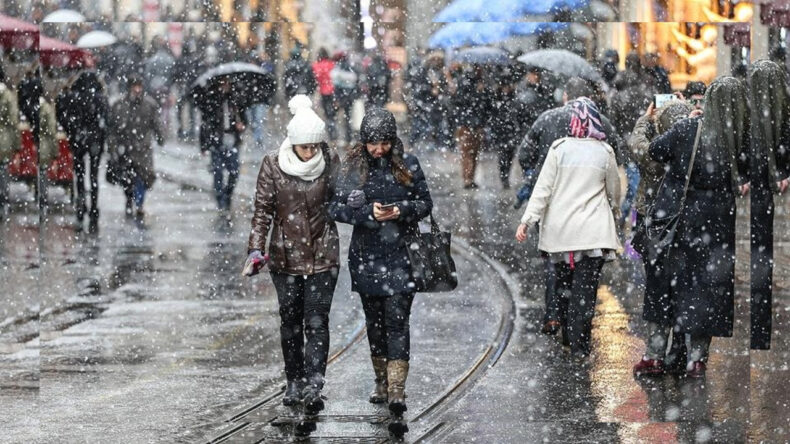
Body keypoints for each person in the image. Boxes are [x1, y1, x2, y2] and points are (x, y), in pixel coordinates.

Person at [330, 108, 433, 434]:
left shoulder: (409, 165)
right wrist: (367, 215)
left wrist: (401, 210)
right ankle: (380, 380)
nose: (378, 149)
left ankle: (397, 390)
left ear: (393, 141)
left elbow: (425, 203)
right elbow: (335, 207)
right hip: (366, 258)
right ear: (364, 142)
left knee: (397, 321)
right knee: (375, 324)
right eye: (373, 143)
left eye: (384, 143)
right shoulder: (351, 169)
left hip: (403, 257)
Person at [646, 76, 749, 377]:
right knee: (708, 290)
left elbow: (655, 151)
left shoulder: (689, 128)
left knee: (670, 284)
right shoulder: (737, 137)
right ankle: (697, 359)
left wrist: (676, 124)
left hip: (684, 220)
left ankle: (658, 355)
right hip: (718, 225)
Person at [244, 95, 340, 414]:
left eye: (315, 146)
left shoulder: (331, 160)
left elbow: (343, 199)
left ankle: (314, 381)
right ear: (293, 143)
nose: (311, 152)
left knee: (316, 320)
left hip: (323, 255)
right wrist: (255, 249)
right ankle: (294, 379)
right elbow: (263, 211)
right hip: (284, 258)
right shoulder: (273, 164)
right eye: (305, 146)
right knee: (290, 321)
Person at [516, 78, 626, 336]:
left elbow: (525, 155)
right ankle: (578, 330)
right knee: (585, 278)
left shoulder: (547, 120)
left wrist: (533, 177)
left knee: (555, 262)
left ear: (566, 96)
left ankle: (554, 313)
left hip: (555, 208)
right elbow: (617, 159)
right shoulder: (601, 126)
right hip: (590, 218)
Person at [629, 99, 693, 376]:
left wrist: (646, 118)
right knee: (683, 287)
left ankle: (655, 354)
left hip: (654, 223)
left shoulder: (656, 152)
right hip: (684, 222)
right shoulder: (692, 145)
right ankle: (680, 351)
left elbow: (636, 144)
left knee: (657, 287)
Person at [748, 60, 790, 350]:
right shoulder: (783, 111)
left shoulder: (746, 111)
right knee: (763, 258)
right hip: (765, 193)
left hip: (750, 192)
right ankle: (761, 330)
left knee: (754, 259)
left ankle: (757, 329)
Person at [108, 77, 165, 219]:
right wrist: (113, 147)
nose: (137, 90)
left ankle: (139, 204)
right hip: (125, 148)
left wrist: (160, 137)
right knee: (127, 178)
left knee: (143, 177)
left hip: (143, 149)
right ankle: (128, 200)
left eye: (139, 86)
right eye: (134, 87)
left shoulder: (149, 105)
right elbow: (113, 129)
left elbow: (156, 123)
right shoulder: (119, 105)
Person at [60, 72, 109, 232]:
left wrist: (73, 132)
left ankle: (81, 205)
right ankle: (94, 209)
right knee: (93, 176)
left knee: (79, 175)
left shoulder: (73, 97)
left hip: (79, 139)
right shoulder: (100, 98)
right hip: (95, 140)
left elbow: (64, 116)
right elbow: (107, 120)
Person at [198, 78, 247, 210]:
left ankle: (228, 194)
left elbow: (244, 119)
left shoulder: (236, 100)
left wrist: (241, 125)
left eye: (227, 83)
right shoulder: (212, 101)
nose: (225, 86)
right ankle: (220, 198)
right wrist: (203, 145)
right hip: (217, 141)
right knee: (218, 171)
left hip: (232, 140)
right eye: (222, 83)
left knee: (234, 171)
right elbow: (205, 124)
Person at [452, 65, 491, 189]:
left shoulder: (480, 83)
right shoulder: (466, 83)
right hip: (468, 125)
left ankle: (470, 178)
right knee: (468, 153)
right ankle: (467, 179)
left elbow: (487, 105)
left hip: (476, 124)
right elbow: (462, 102)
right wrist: (478, 93)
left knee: (474, 153)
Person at [0, 64, 20, 217]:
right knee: (2, 169)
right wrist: (16, 144)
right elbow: (13, 121)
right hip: (3, 138)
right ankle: (2, 202)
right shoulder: (6, 94)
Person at [331, 52, 359, 145]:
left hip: (341, 96)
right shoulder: (351, 69)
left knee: (336, 118)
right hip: (349, 97)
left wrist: (336, 98)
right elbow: (355, 82)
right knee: (348, 118)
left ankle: (336, 138)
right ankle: (348, 139)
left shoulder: (338, 69)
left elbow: (336, 85)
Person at [312, 48, 337, 142]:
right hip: (333, 92)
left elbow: (316, 79)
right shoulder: (332, 65)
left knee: (327, 114)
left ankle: (331, 135)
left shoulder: (316, 66)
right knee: (333, 114)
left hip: (323, 92)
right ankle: (334, 134)